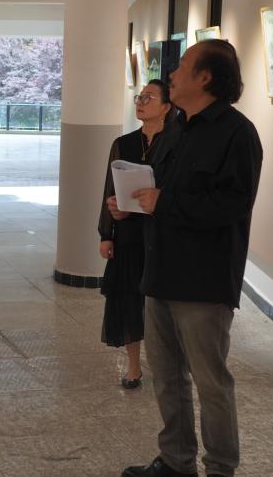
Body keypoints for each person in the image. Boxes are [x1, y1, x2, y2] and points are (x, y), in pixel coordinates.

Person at [123, 40, 263, 477]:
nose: (172, 73)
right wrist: (132, 203)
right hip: (161, 270)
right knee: (166, 376)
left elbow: (232, 205)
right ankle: (176, 461)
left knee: (210, 382)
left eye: (182, 66)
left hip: (203, 279)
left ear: (205, 77)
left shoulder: (237, 134)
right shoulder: (178, 126)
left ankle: (220, 467)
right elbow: (161, 188)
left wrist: (163, 202)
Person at [99, 79, 172, 389]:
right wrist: (106, 232)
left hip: (163, 234)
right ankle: (133, 367)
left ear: (166, 107)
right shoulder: (124, 143)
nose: (140, 102)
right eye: (139, 97)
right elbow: (110, 189)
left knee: (160, 304)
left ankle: (167, 365)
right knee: (129, 299)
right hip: (128, 233)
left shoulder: (177, 143)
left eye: (149, 97)